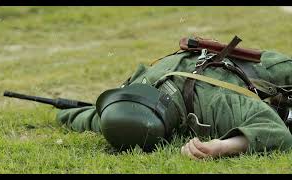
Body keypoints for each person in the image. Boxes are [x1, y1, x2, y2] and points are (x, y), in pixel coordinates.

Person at [56, 36, 292, 160]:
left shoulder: (214, 103)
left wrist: (222, 146)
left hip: (253, 67)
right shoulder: (120, 113)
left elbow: (277, 132)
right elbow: (80, 115)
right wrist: (63, 111)